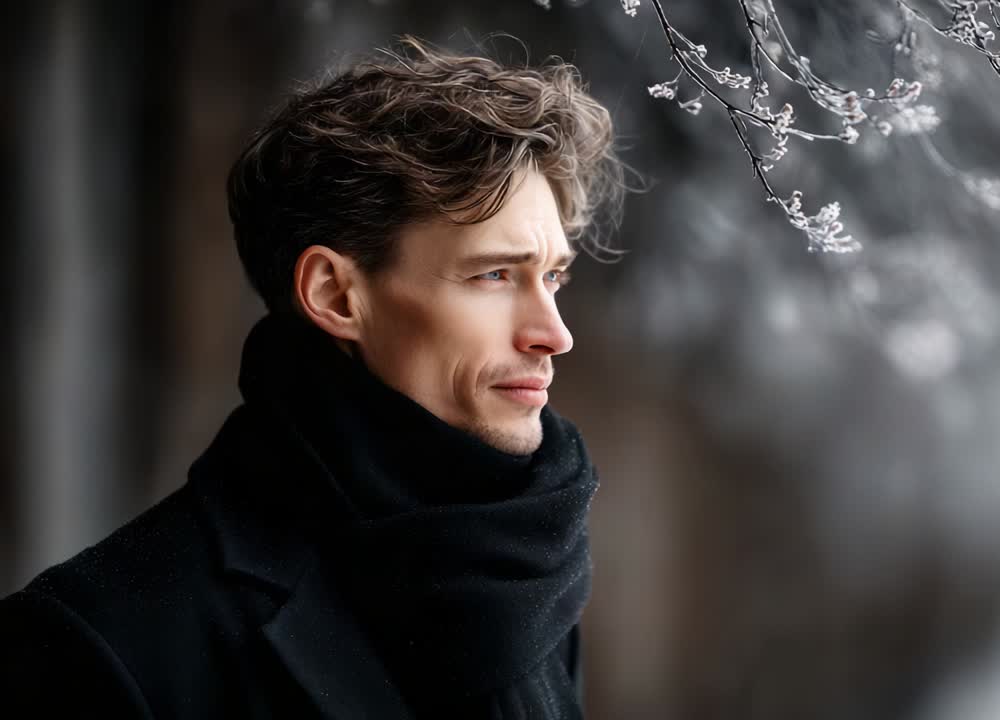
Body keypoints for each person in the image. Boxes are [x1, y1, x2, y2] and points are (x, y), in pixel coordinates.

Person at [0, 35, 626, 719]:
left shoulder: (527, 577)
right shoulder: (98, 643)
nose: (553, 334)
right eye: (495, 275)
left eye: (554, 276)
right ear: (333, 294)